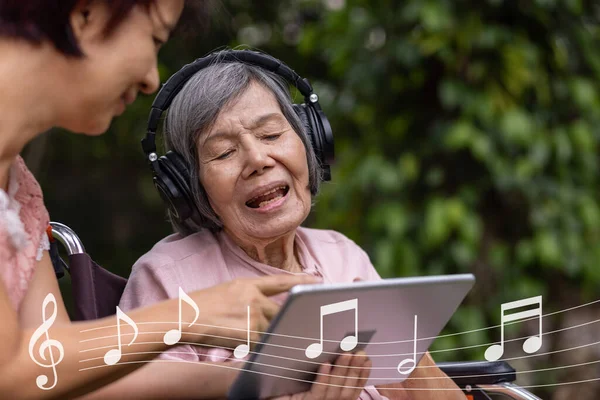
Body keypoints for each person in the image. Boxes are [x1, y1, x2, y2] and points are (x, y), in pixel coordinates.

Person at [0, 2, 320, 399]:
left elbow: (56, 372)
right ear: (86, 14)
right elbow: (10, 375)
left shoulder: (16, 182)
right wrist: (190, 315)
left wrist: (279, 377)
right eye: (154, 37)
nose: (152, 79)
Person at [119, 52, 467, 399]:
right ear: (189, 187)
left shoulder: (341, 255)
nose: (257, 160)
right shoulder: (167, 279)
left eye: (270, 134)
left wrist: (410, 349)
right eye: (224, 152)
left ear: (310, 142)